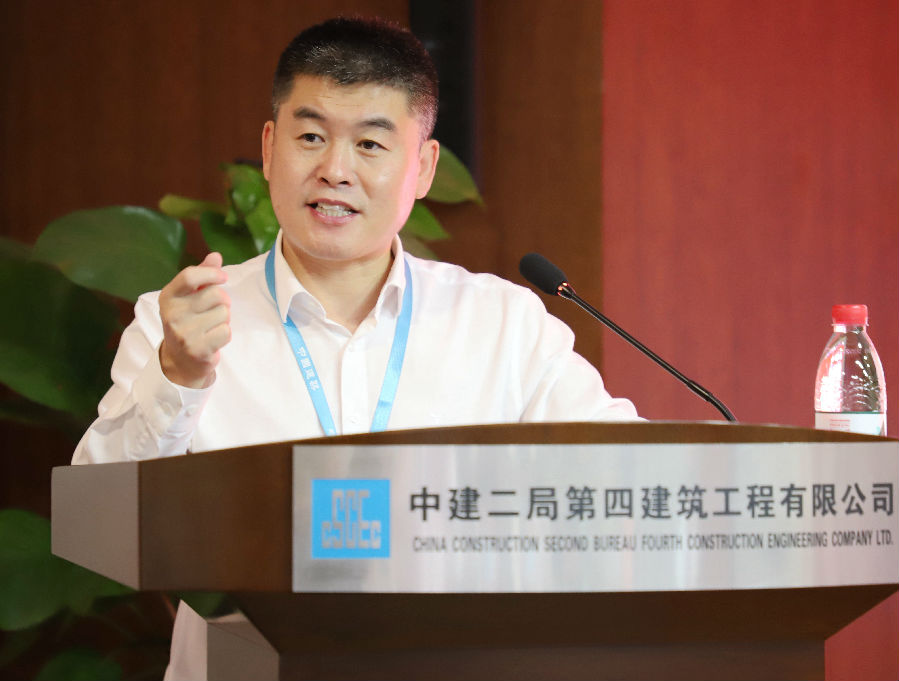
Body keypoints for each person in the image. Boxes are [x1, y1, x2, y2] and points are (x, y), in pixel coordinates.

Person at [72, 16, 639, 679]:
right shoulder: (180, 325)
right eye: (310, 137)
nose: (334, 171)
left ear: (422, 167)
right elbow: (99, 520)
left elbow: (626, 479)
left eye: (370, 144)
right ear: (269, 148)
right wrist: (178, 375)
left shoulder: (502, 326)